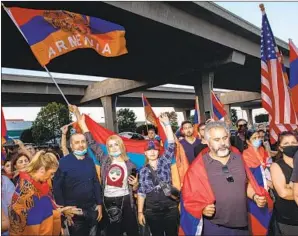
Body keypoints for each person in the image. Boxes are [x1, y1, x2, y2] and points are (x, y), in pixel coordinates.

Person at [182, 121, 267, 236]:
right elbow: (190, 197)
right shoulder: (199, 166)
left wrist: (255, 196)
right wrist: (202, 208)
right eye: (216, 140)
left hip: (242, 226)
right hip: (215, 227)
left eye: (225, 138)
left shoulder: (238, 158)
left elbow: (245, 183)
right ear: (207, 142)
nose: (222, 143)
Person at [75, 110, 140, 236]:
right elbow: (92, 143)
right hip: (108, 200)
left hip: (126, 200)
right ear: (108, 148)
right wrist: (83, 124)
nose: (114, 147)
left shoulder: (131, 165)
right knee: (113, 232)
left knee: (132, 231)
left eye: (116, 144)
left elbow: (135, 188)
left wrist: (136, 184)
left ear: (121, 146)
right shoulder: (104, 160)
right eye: (110, 146)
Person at [9, 151, 77, 235]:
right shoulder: (27, 191)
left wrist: (62, 212)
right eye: (51, 173)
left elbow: (44, 212)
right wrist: (60, 213)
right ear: (42, 170)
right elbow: (35, 222)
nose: (52, 177)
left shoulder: (40, 185)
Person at [53, 124, 103, 236]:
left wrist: (99, 204)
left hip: (92, 209)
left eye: (83, 141)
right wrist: (64, 210)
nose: (81, 145)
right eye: (77, 142)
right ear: (71, 145)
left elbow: (95, 182)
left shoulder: (90, 161)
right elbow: (57, 188)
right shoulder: (64, 162)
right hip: (74, 212)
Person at [138, 113, 179, 236]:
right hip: (152, 210)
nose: (152, 152)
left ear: (158, 151)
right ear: (145, 153)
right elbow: (141, 191)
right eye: (149, 150)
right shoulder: (143, 170)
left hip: (170, 208)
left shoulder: (165, 161)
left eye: (154, 149)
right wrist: (140, 212)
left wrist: (167, 124)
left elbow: (171, 144)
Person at [270, 131, 298, 235]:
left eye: (294, 143)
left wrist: (291, 187)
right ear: (280, 148)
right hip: (289, 221)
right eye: (286, 144)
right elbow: (283, 193)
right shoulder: (277, 166)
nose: (291, 146)